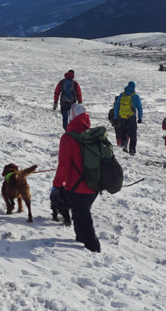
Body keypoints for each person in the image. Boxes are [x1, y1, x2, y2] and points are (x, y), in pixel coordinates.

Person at [52, 103, 101, 253]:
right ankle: (80, 239)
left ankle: (94, 250)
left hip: (77, 187)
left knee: (84, 220)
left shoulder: (68, 138)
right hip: (94, 185)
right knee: (80, 214)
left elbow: (63, 166)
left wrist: (56, 185)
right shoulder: (93, 135)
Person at [112, 81, 143, 155]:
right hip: (132, 117)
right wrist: (140, 117)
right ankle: (132, 149)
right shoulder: (135, 96)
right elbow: (139, 108)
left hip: (122, 117)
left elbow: (117, 106)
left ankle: (124, 145)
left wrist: (116, 117)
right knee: (133, 134)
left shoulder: (121, 95)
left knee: (124, 132)